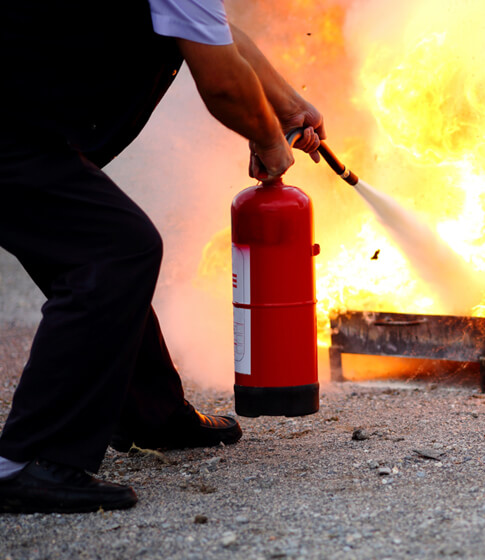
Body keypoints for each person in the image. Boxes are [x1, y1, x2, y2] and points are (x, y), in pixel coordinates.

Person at [0, 0, 325, 513]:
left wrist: (286, 104)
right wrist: (268, 138)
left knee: (100, 249)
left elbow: (214, 32)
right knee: (116, 251)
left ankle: (152, 413)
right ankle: (28, 461)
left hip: (27, 127)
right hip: (11, 128)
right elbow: (220, 82)